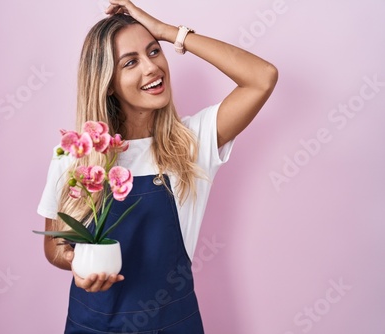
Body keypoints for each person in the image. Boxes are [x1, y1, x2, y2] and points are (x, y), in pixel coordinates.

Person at [37, 0, 278, 332]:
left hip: (174, 324)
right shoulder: (78, 154)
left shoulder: (192, 143)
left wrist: (168, 31)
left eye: (153, 52)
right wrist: (77, 263)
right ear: (107, 82)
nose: (151, 68)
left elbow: (262, 78)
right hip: (91, 325)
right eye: (131, 62)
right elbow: (55, 244)